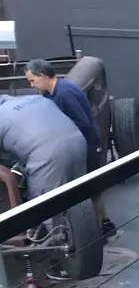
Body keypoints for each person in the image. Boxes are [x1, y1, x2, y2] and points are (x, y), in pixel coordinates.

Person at [25, 59, 116, 238]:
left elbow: (82, 123)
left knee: (91, 188)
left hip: (86, 146)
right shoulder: (51, 93)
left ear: (42, 76)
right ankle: (102, 224)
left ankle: (101, 228)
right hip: (80, 144)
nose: (31, 85)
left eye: (32, 81)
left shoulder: (65, 93)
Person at [0, 93, 86, 201]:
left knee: (45, 206)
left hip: (49, 155)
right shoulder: (36, 98)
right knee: (79, 196)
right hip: (77, 140)